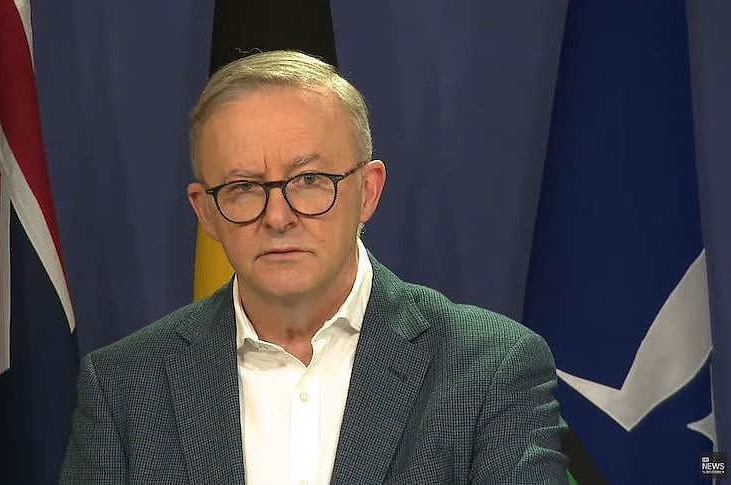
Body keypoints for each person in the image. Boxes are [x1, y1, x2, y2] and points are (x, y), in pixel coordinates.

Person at [60, 50, 568, 484]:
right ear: (206, 212)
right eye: (242, 189)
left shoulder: (492, 369)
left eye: (309, 181)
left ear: (367, 192)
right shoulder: (124, 386)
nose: (278, 217)